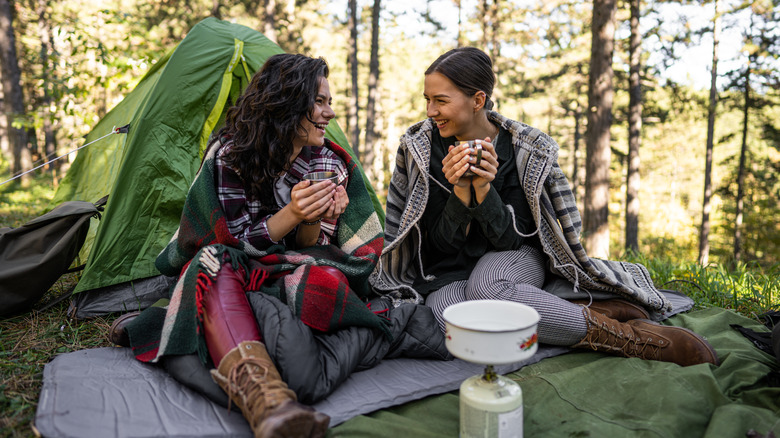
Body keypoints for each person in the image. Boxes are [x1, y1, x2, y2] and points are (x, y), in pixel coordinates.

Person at [117, 53, 449, 438]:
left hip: (292, 272)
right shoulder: (232, 157)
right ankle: (268, 403)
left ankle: (177, 326)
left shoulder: (328, 163)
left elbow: (315, 249)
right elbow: (228, 244)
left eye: (330, 102)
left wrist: (314, 217)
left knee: (314, 290)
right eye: (320, 102)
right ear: (287, 103)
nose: (330, 114)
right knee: (213, 262)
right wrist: (290, 213)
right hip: (237, 269)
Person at [370, 47, 719, 368]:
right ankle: (581, 311)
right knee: (448, 319)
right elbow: (437, 246)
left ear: (478, 100)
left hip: (516, 257)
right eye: (427, 100)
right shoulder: (420, 149)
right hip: (451, 270)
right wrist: (461, 191)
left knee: (488, 288)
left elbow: (511, 241)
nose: (431, 112)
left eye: (440, 101)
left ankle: (628, 339)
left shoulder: (525, 149)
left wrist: (484, 189)